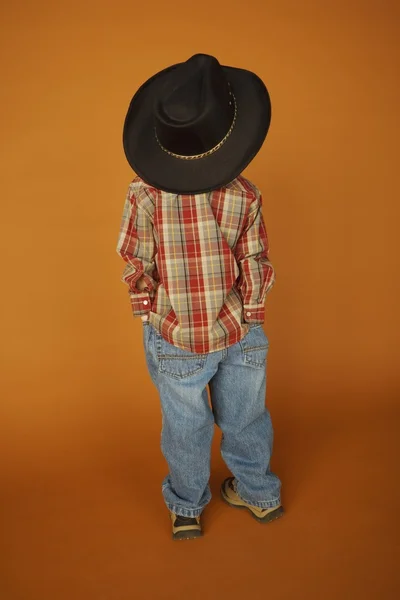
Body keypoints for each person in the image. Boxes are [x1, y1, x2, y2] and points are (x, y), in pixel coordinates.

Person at [116, 53, 283, 541]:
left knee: (185, 426)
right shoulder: (245, 194)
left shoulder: (142, 194)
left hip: (178, 335)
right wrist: (251, 314)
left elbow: (135, 261)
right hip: (240, 330)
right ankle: (258, 493)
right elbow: (255, 262)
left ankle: (186, 508)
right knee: (247, 415)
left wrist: (148, 311)